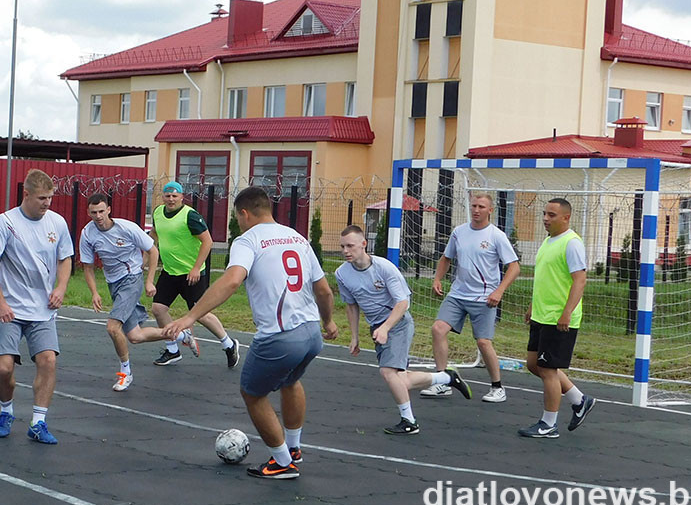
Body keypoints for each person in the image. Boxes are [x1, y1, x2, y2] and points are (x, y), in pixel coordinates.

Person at [163, 187, 338, 480]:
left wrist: (190, 316)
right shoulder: (298, 237)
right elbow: (323, 290)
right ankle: (293, 448)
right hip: (311, 334)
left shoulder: (248, 240)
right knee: (291, 381)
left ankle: (282, 462)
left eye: (237, 218)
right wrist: (329, 321)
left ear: (244, 213)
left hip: (280, 336)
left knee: (253, 394)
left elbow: (232, 281)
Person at [336, 226, 472, 435]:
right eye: (342, 246)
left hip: (398, 324)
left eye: (350, 246)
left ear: (364, 244)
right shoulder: (342, 273)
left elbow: (402, 303)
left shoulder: (384, 268)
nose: (346, 251)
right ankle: (447, 378)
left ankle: (409, 421)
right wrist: (355, 337)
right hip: (378, 328)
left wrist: (385, 328)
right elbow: (351, 305)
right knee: (402, 379)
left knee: (388, 372)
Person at [0, 169, 73, 445]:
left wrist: (61, 287)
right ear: (26, 194)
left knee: (48, 360)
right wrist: (1, 302)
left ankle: (38, 422)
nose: (47, 203)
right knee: (4, 369)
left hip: (43, 310)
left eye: (50, 198)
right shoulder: (6, 222)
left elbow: (65, 259)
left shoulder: (57, 223)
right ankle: (6, 411)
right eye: (42, 198)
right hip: (10, 309)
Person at [79, 193, 194, 392]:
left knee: (113, 328)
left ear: (109, 210)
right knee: (135, 336)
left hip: (131, 278)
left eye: (101, 211)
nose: (98, 216)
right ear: (88, 213)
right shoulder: (87, 234)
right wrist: (94, 292)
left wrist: (149, 281)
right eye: (94, 212)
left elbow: (153, 251)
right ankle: (180, 334)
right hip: (113, 283)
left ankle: (125, 373)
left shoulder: (127, 228)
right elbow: (87, 267)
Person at [421, 193, 520, 402]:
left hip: (484, 298)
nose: (476, 210)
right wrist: (437, 279)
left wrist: (499, 291)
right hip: (458, 294)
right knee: (438, 329)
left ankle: (497, 387)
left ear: (490, 210)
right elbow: (446, 258)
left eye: (481, 207)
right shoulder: (459, 232)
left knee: (483, 342)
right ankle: (442, 381)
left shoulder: (496, 236)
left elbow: (514, 267)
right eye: (474, 206)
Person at [519, 198, 595, 439]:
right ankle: (579, 400)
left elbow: (580, 280)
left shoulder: (571, 243)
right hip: (542, 315)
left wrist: (567, 312)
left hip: (558, 318)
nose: (545, 218)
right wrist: (533, 306)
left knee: (548, 370)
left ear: (565, 218)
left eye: (551, 215)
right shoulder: (548, 240)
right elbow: (546, 278)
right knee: (534, 364)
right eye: (544, 213)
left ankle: (549, 424)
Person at [149, 181, 238, 367]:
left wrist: (196, 268)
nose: (171, 199)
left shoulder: (190, 216)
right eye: (167, 196)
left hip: (191, 274)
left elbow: (207, 241)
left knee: (201, 314)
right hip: (170, 271)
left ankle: (229, 345)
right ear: (162, 197)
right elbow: (155, 234)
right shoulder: (158, 213)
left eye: (175, 196)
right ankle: (172, 350)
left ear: (182, 197)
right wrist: (146, 254)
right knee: (158, 309)